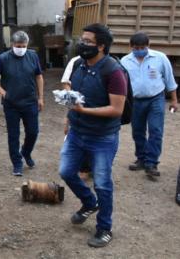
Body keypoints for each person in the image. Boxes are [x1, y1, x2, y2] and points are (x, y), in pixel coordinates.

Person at [59, 23, 127, 248]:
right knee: (66, 171)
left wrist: (83, 111)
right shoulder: (79, 65)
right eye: (82, 39)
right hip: (77, 132)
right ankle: (89, 203)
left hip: (102, 138)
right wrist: (70, 118)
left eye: (88, 42)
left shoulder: (114, 71)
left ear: (101, 46)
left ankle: (104, 228)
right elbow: (75, 97)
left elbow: (116, 109)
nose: (82, 44)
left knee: (102, 184)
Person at [120, 32, 178, 178]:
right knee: (137, 131)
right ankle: (141, 158)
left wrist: (174, 100)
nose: (140, 50)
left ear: (148, 45)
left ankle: (151, 163)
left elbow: (170, 80)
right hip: (135, 101)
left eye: (143, 47)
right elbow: (121, 84)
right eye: (136, 47)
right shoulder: (125, 62)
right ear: (131, 47)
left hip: (156, 99)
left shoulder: (160, 58)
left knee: (156, 130)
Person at [0, 31, 44, 176]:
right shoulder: (3, 59)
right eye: (18, 46)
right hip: (11, 104)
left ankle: (26, 152)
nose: (21, 48)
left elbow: (39, 77)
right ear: (12, 44)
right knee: (13, 135)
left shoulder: (33, 56)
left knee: (33, 131)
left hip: (30, 101)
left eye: (24, 46)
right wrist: (3, 92)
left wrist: (41, 97)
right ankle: (17, 163)